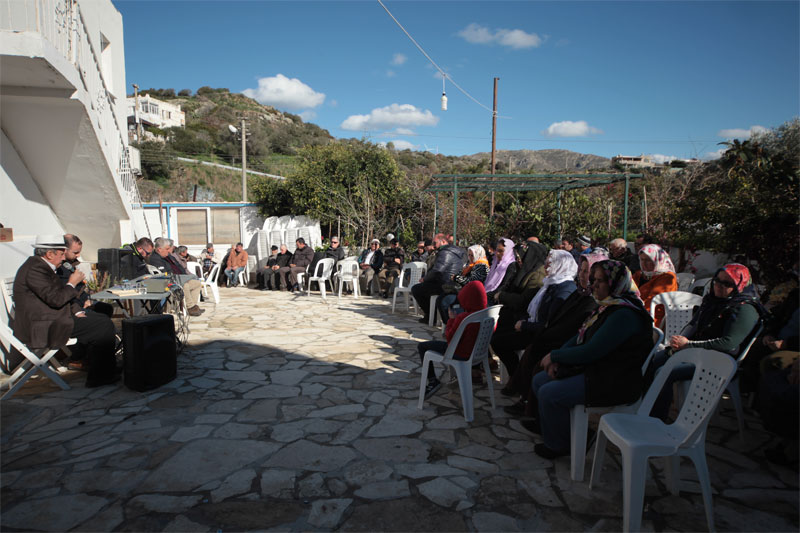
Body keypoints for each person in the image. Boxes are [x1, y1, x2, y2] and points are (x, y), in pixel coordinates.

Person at [530, 259, 654, 458]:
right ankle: (574, 434)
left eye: (601, 281)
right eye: (593, 280)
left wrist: (556, 355)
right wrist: (557, 358)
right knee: (539, 380)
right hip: (596, 370)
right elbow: (581, 335)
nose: (594, 285)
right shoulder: (607, 306)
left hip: (613, 379)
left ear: (616, 283)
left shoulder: (624, 314)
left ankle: (560, 445)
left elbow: (592, 350)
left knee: (549, 393)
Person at [648, 263, 765, 420]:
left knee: (665, 372)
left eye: (727, 283)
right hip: (697, 351)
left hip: (719, 361)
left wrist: (688, 345)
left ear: (740, 285)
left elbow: (728, 343)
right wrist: (678, 342)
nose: (718, 285)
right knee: (654, 359)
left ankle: (657, 419)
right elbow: (694, 325)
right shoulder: (712, 301)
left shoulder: (744, 308)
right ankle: (645, 407)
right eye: (717, 280)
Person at [502, 251, 606, 417]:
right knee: (527, 346)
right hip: (557, 337)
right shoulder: (579, 293)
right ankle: (523, 396)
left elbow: (574, 329)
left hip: (569, 347)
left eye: (590, 273)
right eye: (583, 270)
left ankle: (527, 403)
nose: (584, 275)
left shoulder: (586, 298)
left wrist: (554, 349)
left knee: (536, 353)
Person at [11, 235, 119, 387]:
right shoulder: (36, 269)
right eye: (62, 253)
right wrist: (71, 284)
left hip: (52, 317)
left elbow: (60, 296)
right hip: (42, 325)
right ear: (50, 254)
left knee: (100, 318)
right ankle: (100, 376)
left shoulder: (42, 267)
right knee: (101, 325)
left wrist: (76, 311)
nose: (63, 258)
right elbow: (56, 298)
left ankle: (101, 367)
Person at [490, 250, 578, 380]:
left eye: (550, 263)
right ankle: (516, 377)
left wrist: (525, 325)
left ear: (561, 265)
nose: (546, 267)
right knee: (498, 333)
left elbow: (549, 323)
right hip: (534, 327)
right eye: (546, 263)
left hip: (543, 335)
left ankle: (517, 379)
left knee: (499, 341)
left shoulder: (563, 289)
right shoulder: (551, 283)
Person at [417, 280, 488, 398]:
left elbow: (450, 338)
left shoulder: (464, 318)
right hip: (478, 354)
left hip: (460, 353)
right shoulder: (488, 314)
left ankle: (433, 381)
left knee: (422, 347)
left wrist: (451, 320)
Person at [411, 234, 465, 324]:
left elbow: (438, 270)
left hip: (445, 284)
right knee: (425, 289)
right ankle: (432, 315)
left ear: (443, 241)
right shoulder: (454, 251)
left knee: (416, 289)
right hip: (451, 283)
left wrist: (425, 279)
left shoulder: (445, 252)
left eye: (435, 243)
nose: (434, 245)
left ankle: (430, 316)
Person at [147, 237, 205, 316]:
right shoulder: (155, 259)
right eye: (167, 249)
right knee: (185, 286)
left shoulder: (167, 256)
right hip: (167, 283)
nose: (169, 251)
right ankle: (190, 307)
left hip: (179, 279)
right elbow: (165, 274)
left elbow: (179, 267)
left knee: (197, 283)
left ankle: (194, 306)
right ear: (159, 249)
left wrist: (185, 277)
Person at [435, 244, 490, 324]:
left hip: (471, 295)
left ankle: (454, 325)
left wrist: (457, 278)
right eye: (469, 255)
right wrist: (457, 277)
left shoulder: (482, 266)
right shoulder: (469, 264)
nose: (470, 257)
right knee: (440, 299)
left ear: (478, 254)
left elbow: (472, 282)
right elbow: (460, 274)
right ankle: (449, 325)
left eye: (472, 255)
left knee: (445, 302)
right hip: (462, 290)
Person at [633, 244, 678, 328]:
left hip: (651, 319)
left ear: (658, 260)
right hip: (634, 312)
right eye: (642, 259)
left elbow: (654, 303)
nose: (644, 264)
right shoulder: (639, 274)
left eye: (648, 260)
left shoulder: (667, 277)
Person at [484, 238, 517, 303]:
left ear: (508, 251)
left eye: (501, 251)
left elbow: (504, 286)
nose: (497, 253)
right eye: (497, 250)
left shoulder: (511, 266)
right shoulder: (495, 263)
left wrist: (485, 296)